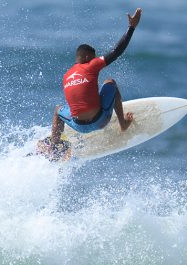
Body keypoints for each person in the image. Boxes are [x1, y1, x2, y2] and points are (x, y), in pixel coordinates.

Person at [43, 8, 142, 158]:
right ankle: (123, 124)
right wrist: (131, 28)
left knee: (58, 110)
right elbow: (116, 51)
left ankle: (54, 148)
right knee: (110, 82)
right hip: (100, 120)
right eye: (94, 57)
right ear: (89, 56)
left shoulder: (67, 75)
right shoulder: (92, 65)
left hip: (78, 126)